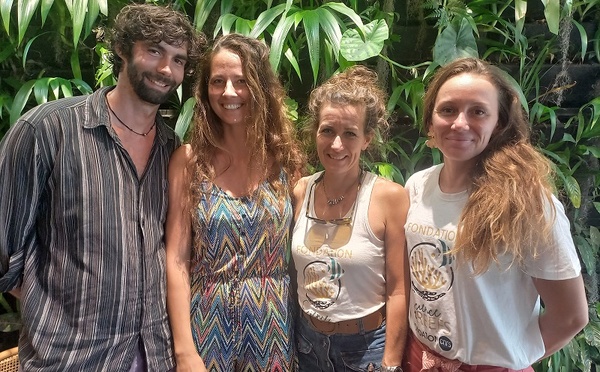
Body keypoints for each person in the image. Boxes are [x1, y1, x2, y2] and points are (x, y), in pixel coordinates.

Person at [0, 4, 204, 371]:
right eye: (154, 50)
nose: (165, 70)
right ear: (123, 49)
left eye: (178, 60)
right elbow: (4, 251)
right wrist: (56, 312)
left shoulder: (174, 152)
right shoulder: (48, 131)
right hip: (72, 360)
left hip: (156, 357)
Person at [403, 57, 589, 371]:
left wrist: (505, 360)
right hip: (419, 357)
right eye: (447, 110)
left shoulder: (526, 203)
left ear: (499, 123)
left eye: (478, 111)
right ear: (430, 120)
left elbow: (570, 316)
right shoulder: (418, 186)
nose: (460, 123)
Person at [165, 33, 305, 371]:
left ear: (261, 87)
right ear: (204, 90)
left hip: (274, 326)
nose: (229, 93)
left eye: (241, 81)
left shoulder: (287, 161)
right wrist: (184, 351)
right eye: (218, 81)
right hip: (206, 325)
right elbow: (177, 260)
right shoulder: (189, 161)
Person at [290, 65, 410, 371]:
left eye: (350, 134)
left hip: (366, 349)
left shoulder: (388, 198)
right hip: (307, 344)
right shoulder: (301, 191)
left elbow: (399, 290)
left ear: (367, 139)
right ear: (315, 132)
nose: (337, 145)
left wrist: (391, 363)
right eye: (327, 130)